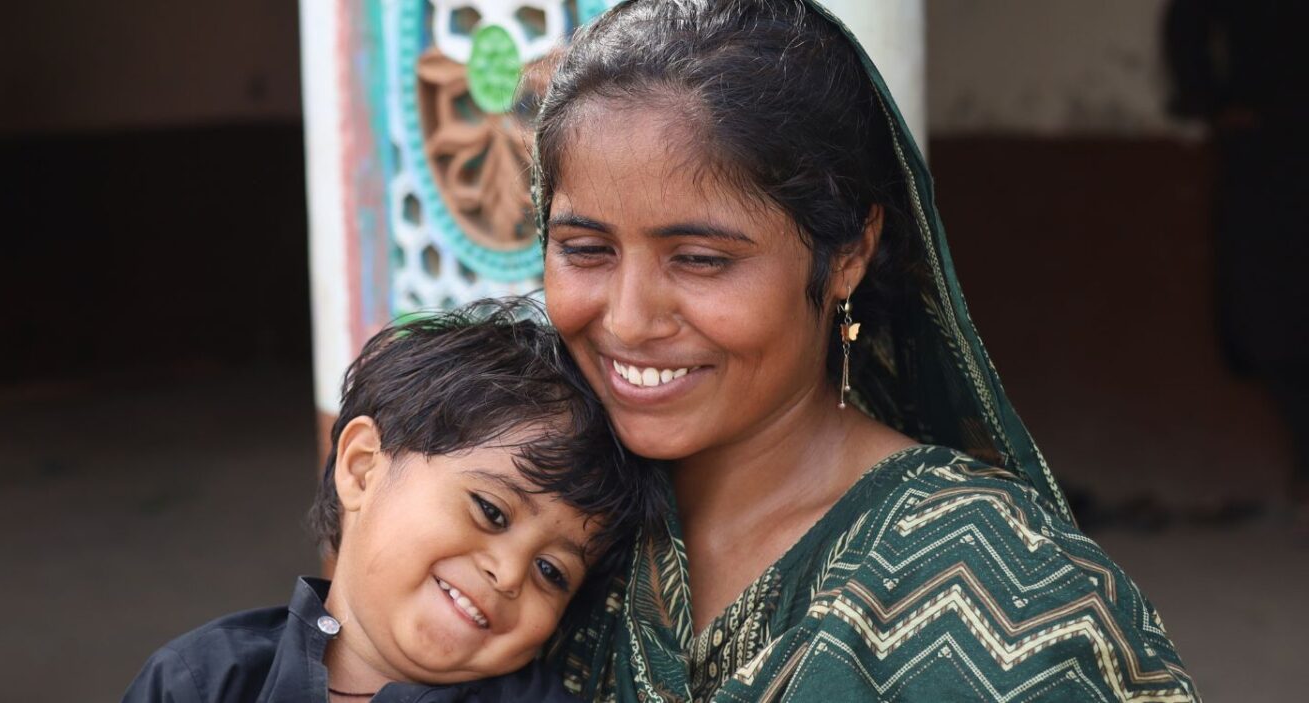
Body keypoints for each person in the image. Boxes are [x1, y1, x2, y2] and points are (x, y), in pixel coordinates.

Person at [530, 1, 1200, 700]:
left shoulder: (988, 583)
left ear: (849, 250)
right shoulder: (529, 521)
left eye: (699, 259)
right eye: (585, 249)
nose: (630, 319)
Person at [123, 300, 661, 702]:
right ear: (361, 468)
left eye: (552, 571)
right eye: (491, 512)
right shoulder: (203, 682)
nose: (509, 573)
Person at [1163, 0, 1309, 527]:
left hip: (1269, 138)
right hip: (1270, 144)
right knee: (1271, 311)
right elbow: (1188, 22)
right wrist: (1214, 103)